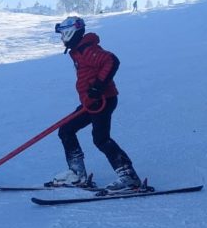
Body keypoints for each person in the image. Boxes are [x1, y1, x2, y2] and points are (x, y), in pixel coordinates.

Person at [45, 16, 142, 192]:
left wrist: (98, 87)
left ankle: (129, 177)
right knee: (66, 129)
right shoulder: (78, 50)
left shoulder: (87, 49)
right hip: (92, 103)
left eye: (62, 34)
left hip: (102, 101)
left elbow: (111, 61)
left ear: (69, 32)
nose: (61, 39)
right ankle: (76, 174)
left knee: (101, 139)